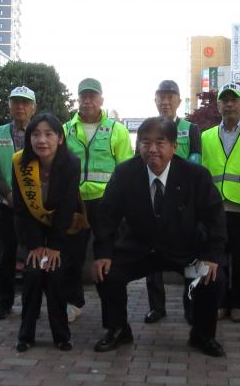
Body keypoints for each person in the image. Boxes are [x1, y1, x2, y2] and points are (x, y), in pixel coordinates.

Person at [92, 117, 227, 357]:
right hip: (139, 249)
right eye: (145, 142)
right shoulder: (125, 173)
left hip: (184, 251)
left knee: (211, 277)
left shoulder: (195, 175)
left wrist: (211, 256)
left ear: (174, 146)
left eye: (160, 142)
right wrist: (102, 253)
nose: (152, 149)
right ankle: (118, 328)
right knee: (107, 273)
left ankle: (202, 334)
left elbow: (215, 217)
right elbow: (106, 217)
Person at [13, 113, 85, 352]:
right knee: (33, 275)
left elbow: (66, 207)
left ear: (60, 138)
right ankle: (26, 334)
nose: (42, 140)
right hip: (32, 231)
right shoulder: (20, 162)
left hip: (60, 230)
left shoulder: (71, 164)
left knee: (55, 275)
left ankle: (61, 335)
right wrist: (35, 245)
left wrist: (53, 246)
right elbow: (22, 208)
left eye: (48, 134)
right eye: (36, 134)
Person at [62, 78, 133, 322]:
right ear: (78, 99)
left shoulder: (117, 130)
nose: (88, 100)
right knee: (72, 255)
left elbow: (126, 170)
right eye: (84, 96)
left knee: (109, 254)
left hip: (107, 203)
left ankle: (112, 304)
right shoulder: (65, 129)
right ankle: (73, 302)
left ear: (101, 99)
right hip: (75, 202)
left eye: (93, 96)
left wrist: (123, 203)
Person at [201, 82, 240, 323]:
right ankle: (220, 301)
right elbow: (203, 172)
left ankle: (239, 303)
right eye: (224, 100)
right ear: (218, 106)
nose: (229, 104)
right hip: (215, 208)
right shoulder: (206, 136)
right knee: (217, 257)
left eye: (234, 100)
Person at [144, 79, 202, 325]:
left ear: (179, 101)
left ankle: (191, 307)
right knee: (151, 255)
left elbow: (196, 162)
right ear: (155, 100)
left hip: (182, 204)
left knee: (190, 258)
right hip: (155, 200)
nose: (166, 101)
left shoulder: (191, 129)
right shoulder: (149, 128)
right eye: (161, 96)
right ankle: (156, 307)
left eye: (171, 97)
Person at [0, 86, 37, 320]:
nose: (20, 107)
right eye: (16, 102)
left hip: (37, 207)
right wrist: (8, 194)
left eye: (25, 103)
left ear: (33, 107)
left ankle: (32, 304)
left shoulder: (41, 132)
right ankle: (3, 304)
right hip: (7, 205)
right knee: (6, 255)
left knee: (34, 256)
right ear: (9, 105)